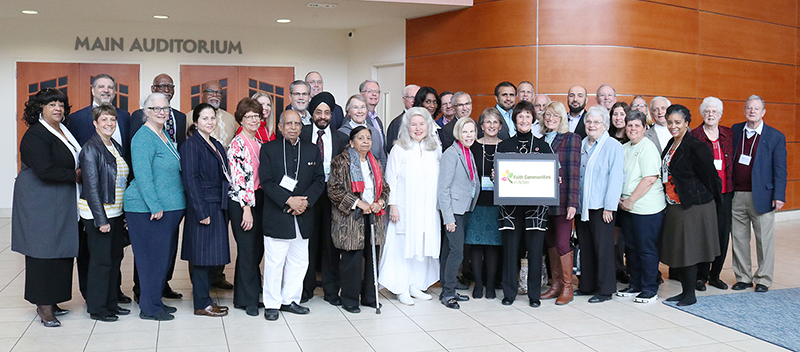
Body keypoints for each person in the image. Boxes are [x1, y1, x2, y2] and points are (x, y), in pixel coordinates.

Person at [12, 88, 80, 327]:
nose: (58, 108)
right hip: (39, 199)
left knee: (61, 246)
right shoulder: (35, 134)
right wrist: (77, 175)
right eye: (51, 104)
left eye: (61, 104)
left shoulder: (62, 130)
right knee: (42, 250)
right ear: (39, 108)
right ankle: (43, 306)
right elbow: (44, 169)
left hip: (59, 196)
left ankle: (55, 299)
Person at [66, 73, 131, 303]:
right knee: (94, 257)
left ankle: (111, 295)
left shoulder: (123, 116)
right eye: (101, 86)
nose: (106, 90)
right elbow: (87, 176)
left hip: (115, 206)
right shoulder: (77, 119)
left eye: (110, 87)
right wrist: (100, 217)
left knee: (113, 257)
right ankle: (92, 298)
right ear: (92, 90)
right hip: (96, 209)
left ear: (115, 91)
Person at [124, 93, 186, 321]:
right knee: (150, 260)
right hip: (148, 210)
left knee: (162, 260)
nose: (161, 112)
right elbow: (143, 176)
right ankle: (148, 308)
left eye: (165, 108)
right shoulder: (142, 137)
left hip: (169, 208)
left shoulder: (163, 135)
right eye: (155, 108)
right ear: (145, 111)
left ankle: (156, 301)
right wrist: (154, 205)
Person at [259, 110, 325, 321]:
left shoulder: (312, 149)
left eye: (297, 123)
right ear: (280, 127)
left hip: (303, 214)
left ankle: (290, 299)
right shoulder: (268, 149)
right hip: (278, 213)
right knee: (275, 262)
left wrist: (304, 202)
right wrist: (289, 200)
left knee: (299, 261)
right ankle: (271, 303)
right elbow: (266, 181)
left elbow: (319, 180)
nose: (293, 127)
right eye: (289, 124)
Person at [378, 107, 442, 306]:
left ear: (428, 126)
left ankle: (416, 284)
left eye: (422, 124)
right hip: (404, 208)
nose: (418, 128)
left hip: (428, 208)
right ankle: (401, 287)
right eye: (413, 124)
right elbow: (391, 179)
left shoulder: (435, 148)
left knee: (421, 245)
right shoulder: (399, 149)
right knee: (402, 246)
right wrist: (393, 205)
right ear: (407, 127)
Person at [660, 104, 721, 306]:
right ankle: (685, 291)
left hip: (694, 206)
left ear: (687, 123)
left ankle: (690, 295)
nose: (673, 126)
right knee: (681, 250)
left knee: (690, 251)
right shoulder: (672, 142)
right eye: (670, 122)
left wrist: (713, 202)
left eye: (677, 122)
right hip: (676, 205)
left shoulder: (695, 145)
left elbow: (711, 176)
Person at [497, 101, 553, 307]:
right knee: (511, 250)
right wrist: (497, 176)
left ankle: (534, 295)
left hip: (536, 208)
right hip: (510, 208)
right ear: (515, 120)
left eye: (527, 116)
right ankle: (509, 293)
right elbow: (500, 178)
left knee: (536, 252)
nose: (524, 120)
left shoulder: (544, 146)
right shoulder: (504, 146)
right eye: (520, 116)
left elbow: (551, 175)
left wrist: (554, 178)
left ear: (533, 119)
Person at [328, 126, 390, 313]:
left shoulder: (375, 162)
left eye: (368, 138)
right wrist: (358, 203)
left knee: (372, 258)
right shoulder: (341, 162)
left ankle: (370, 297)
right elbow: (334, 190)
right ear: (351, 142)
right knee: (352, 262)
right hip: (351, 218)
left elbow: (385, 188)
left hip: (374, 215)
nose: (365, 141)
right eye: (361, 138)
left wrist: (380, 202)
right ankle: (350, 299)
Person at [79, 104, 130, 322]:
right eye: (104, 120)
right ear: (95, 123)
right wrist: (101, 219)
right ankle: (97, 309)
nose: (109, 123)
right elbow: (91, 187)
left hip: (116, 213)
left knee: (114, 259)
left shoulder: (114, 145)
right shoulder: (91, 148)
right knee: (100, 263)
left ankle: (111, 304)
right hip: (99, 216)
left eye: (112, 119)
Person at [730, 95, 787, 293]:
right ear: (745, 111)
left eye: (756, 108)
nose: (752, 111)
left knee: (764, 240)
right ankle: (743, 277)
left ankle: (763, 278)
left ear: (763, 112)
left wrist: (779, 195)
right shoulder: (736, 130)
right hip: (737, 195)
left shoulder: (775, 136)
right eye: (749, 108)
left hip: (763, 196)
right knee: (738, 239)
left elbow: (780, 169)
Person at [180, 103, 231, 317]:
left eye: (212, 118)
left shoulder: (216, 144)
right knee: (201, 257)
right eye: (205, 118)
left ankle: (207, 299)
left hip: (217, 204)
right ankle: (202, 303)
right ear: (195, 122)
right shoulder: (191, 145)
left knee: (211, 256)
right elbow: (189, 180)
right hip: (203, 206)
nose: (210, 122)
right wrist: (201, 212)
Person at [299, 92, 349, 305]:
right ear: (312, 113)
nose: (322, 116)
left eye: (327, 112)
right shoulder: (302, 134)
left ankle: (331, 291)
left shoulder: (341, 138)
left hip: (332, 198)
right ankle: (305, 288)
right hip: (307, 196)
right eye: (318, 111)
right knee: (306, 244)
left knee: (330, 246)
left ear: (332, 114)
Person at [616, 110, 666, 304]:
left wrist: (630, 200)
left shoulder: (648, 148)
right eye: (629, 125)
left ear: (645, 128)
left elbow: (649, 178)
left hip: (645, 208)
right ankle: (635, 284)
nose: (633, 129)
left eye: (637, 125)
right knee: (632, 248)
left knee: (646, 249)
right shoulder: (625, 147)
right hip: (628, 207)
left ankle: (649, 288)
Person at [575, 106, 624, 304]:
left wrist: (610, 207)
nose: (592, 125)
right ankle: (587, 285)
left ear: (605, 125)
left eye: (596, 122)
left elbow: (616, 178)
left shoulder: (613, 146)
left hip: (602, 207)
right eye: (589, 122)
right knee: (585, 246)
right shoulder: (582, 144)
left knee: (603, 249)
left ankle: (605, 290)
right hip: (582, 205)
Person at [538, 101, 580, 306]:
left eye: (555, 116)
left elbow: (574, 172)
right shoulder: (539, 139)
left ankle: (567, 287)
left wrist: (573, 202)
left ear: (562, 118)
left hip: (564, 201)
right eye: (548, 115)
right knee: (551, 243)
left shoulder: (571, 139)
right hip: (544, 202)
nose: (551, 119)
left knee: (563, 243)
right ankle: (555, 286)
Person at [690, 97, 734, 291]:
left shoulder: (728, 134)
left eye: (714, 112)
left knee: (722, 235)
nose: (710, 115)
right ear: (702, 113)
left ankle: (715, 275)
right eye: (707, 111)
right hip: (704, 195)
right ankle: (701, 276)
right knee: (703, 235)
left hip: (725, 193)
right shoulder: (694, 135)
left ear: (720, 115)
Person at [228, 98, 266, 316]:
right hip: (242, 203)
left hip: (257, 200)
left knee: (255, 250)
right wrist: (246, 209)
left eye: (256, 116)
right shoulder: (237, 144)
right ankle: (248, 300)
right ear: (240, 119)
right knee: (248, 250)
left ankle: (244, 295)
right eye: (248, 116)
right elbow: (239, 179)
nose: (253, 120)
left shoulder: (258, 141)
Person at [437, 117, 479, 309]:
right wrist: (448, 218)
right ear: (458, 133)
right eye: (465, 132)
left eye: (471, 131)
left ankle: (447, 287)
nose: (469, 135)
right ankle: (448, 294)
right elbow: (443, 189)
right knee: (456, 253)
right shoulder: (451, 154)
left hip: (464, 208)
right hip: (453, 212)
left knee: (448, 251)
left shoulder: (467, 152)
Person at [467, 108, 503, 300]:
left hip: (497, 203)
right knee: (476, 245)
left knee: (493, 246)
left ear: (500, 126)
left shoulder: (505, 147)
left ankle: (490, 284)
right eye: (487, 122)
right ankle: (478, 284)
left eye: (495, 122)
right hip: (476, 202)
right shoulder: (472, 146)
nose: (491, 125)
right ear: (481, 126)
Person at [187, 80, 238, 152]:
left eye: (218, 92)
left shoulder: (230, 119)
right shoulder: (189, 117)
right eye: (210, 92)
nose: (214, 95)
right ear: (202, 94)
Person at [340, 95, 387, 167]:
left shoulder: (374, 132)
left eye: (363, 107)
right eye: (355, 107)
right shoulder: (341, 133)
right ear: (348, 112)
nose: (360, 111)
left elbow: (382, 158)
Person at [385, 84, 420, 154]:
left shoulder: (426, 121)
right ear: (404, 99)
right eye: (411, 97)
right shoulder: (396, 123)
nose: (414, 100)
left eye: (417, 97)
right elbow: (391, 148)